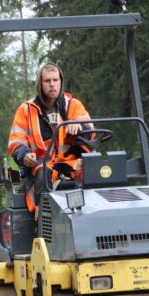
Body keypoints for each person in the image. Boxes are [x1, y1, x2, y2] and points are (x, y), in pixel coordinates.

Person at [7, 62, 93, 213]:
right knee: (43, 173)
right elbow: (16, 142)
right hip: (42, 164)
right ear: (40, 84)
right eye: (47, 81)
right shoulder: (26, 110)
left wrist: (80, 126)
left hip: (71, 162)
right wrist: (24, 155)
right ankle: (42, 218)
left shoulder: (73, 106)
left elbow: (91, 131)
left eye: (55, 80)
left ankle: (93, 214)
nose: (52, 84)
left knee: (96, 170)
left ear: (61, 82)